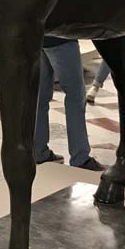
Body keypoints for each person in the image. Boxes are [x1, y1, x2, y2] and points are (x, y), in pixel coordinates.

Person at [34, 36, 102, 170]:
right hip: (61, 39)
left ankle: (39, 152)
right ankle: (80, 157)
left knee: (40, 97)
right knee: (75, 96)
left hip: (37, 39)